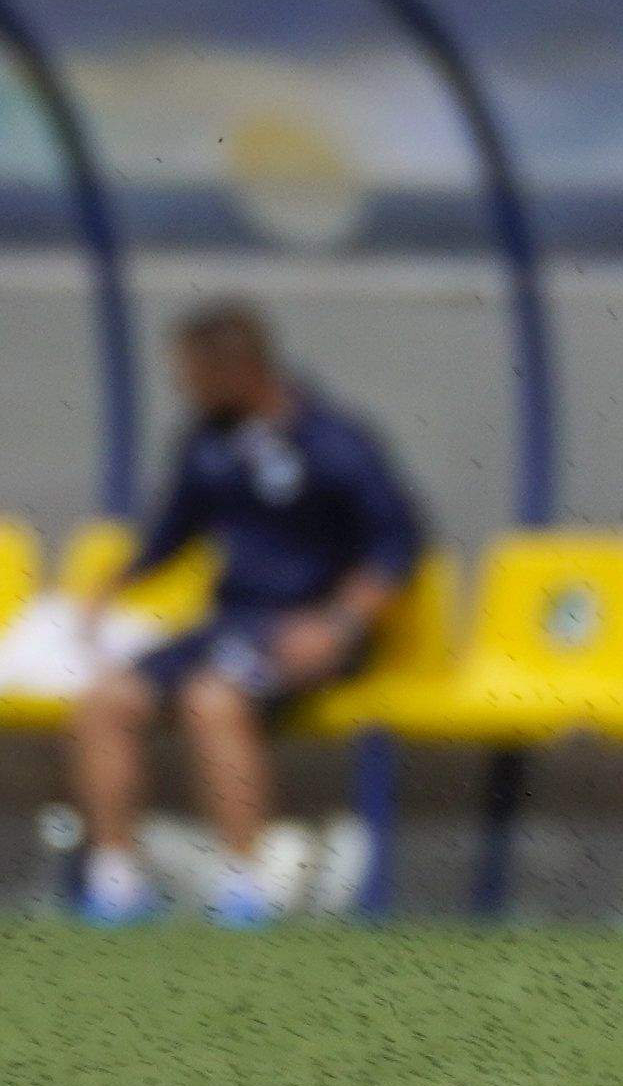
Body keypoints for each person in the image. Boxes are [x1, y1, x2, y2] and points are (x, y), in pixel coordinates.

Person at [70, 302, 421, 928]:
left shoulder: (332, 440)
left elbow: (398, 544)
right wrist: (109, 588)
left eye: (192, 372)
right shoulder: (209, 440)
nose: (182, 385)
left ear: (237, 369)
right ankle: (114, 881)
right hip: (231, 624)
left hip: (309, 628)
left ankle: (244, 883)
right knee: (106, 699)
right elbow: (174, 529)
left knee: (214, 698)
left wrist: (337, 626)